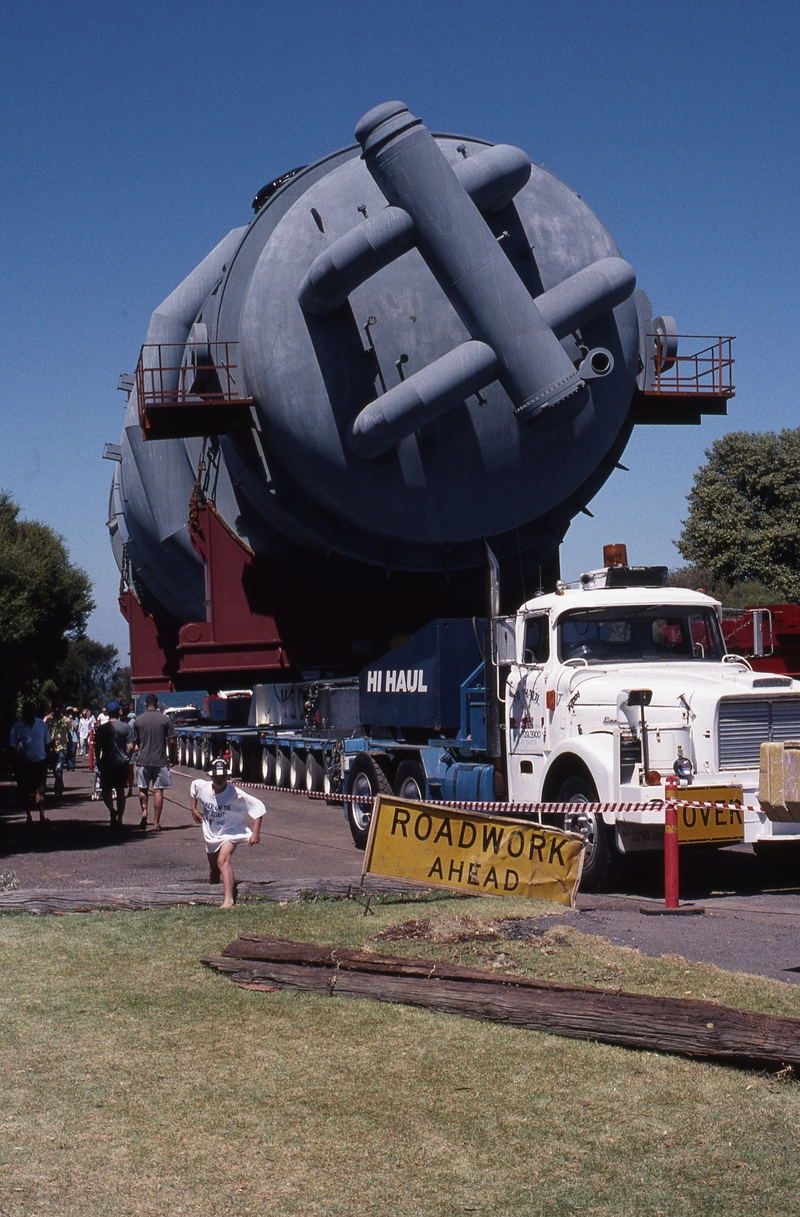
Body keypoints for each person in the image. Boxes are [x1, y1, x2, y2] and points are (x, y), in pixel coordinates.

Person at [190, 758, 265, 908]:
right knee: (213, 868)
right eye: (216, 776)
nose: (220, 780)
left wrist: (256, 833)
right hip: (212, 832)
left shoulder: (236, 793)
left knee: (222, 860)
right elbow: (194, 790)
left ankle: (229, 900)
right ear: (209, 776)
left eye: (223, 776)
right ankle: (212, 894)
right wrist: (193, 809)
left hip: (231, 830)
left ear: (228, 777)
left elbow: (258, 807)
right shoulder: (203, 787)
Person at [133, 694, 175, 830]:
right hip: (160, 760)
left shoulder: (138, 721)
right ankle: (156, 823)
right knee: (158, 791)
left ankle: (144, 812)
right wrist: (173, 757)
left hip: (143, 759)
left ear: (145, 704)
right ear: (157, 704)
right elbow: (172, 741)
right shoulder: (165, 720)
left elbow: (135, 742)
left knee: (143, 788)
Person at [94, 702, 134, 829]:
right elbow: (131, 745)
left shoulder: (101, 729)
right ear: (119, 712)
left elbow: (97, 746)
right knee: (120, 790)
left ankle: (112, 810)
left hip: (107, 762)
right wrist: (127, 756)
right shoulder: (126, 728)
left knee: (106, 789)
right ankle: (120, 819)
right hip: (121, 762)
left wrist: (98, 760)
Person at [10, 703, 51, 824]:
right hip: (23, 763)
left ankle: (42, 815)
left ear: (35, 712)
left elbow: (47, 742)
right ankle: (28, 816)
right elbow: (12, 746)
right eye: (27, 711)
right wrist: (15, 764)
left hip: (40, 762)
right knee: (25, 791)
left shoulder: (41, 725)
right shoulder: (17, 726)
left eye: (32, 711)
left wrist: (49, 759)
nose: (29, 714)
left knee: (40, 789)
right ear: (23, 713)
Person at [48, 705, 72, 798]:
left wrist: (70, 748)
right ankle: (60, 782)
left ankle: (57, 789)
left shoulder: (66, 720)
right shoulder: (50, 721)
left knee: (59, 768)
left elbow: (69, 734)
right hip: (52, 748)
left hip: (62, 747)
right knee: (55, 769)